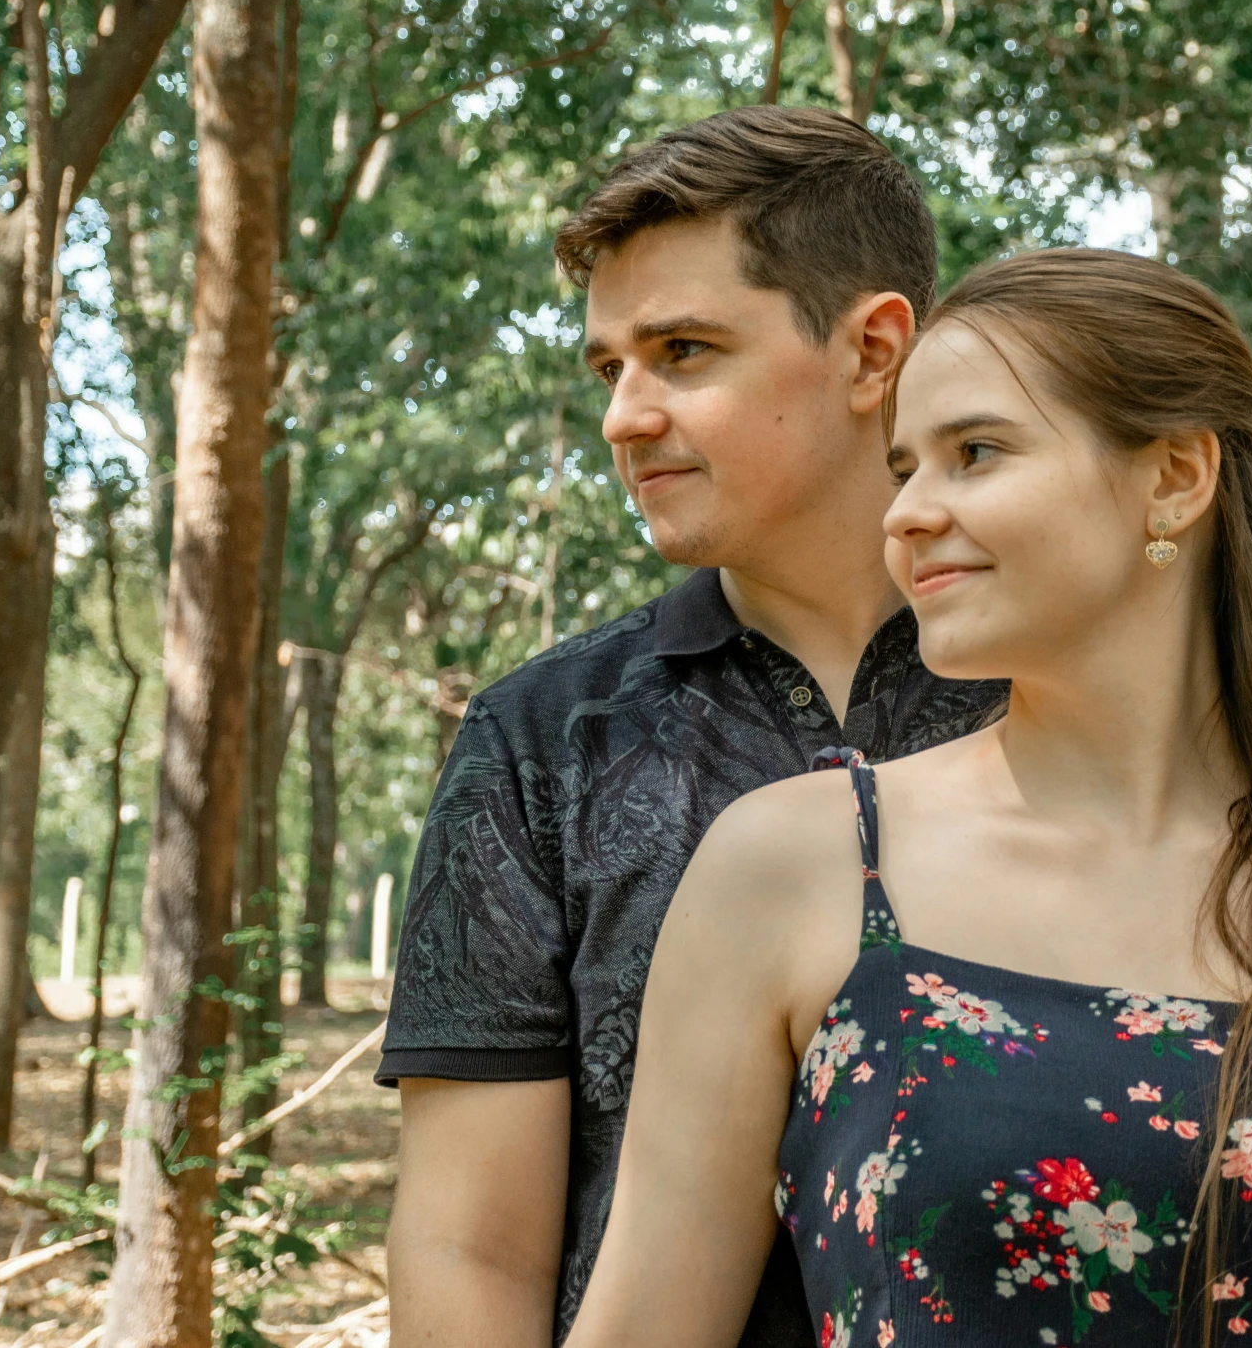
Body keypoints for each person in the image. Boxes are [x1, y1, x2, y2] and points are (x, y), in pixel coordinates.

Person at [565, 248, 1252, 1347]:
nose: (903, 514)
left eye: (975, 453)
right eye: (904, 467)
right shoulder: (799, 866)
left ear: (1176, 476)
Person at [380, 107, 1005, 1348]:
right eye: (610, 367)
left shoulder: (1061, 689)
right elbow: (468, 1242)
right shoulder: (540, 741)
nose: (625, 414)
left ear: (874, 349)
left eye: (683, 350)